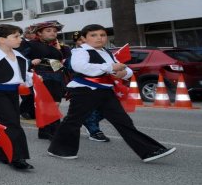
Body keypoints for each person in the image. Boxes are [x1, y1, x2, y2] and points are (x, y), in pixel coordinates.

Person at [48, 24, 176, 162]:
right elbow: (81, 67)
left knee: (123, 121)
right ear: (84, 38)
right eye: (94, 35)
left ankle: (150, 151)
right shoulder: (80, 52)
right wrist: (110, 68)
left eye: (102, 35)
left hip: (105, 90)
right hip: (84, 90)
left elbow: (124, 69)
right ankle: (59, 150)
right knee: (74, 121)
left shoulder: (106, 52)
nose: (99, 38)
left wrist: (123, 73)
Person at [0, 24, 34, 170]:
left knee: (9, 123)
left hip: (14, 93)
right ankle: (17, 157)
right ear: (2, 39)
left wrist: (33, 78)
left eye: (19, 36)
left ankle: (1, 154)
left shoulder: (19, 55)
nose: (20, 39)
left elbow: (22, 74)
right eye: (16, 36)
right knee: (12, 123)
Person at [28, 20, 71, 140]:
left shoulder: (61, 46)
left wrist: (61, 50)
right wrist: (30, 63)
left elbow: (66, 61)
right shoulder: (31, 44)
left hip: (57, 77)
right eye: (48, 30)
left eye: (55, 31)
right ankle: (53, 131)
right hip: (42, 76)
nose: (53, 33)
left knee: (55, 104)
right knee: (49, 104)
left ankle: (45, 131)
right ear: (39, 33)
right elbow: (21, 58)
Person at [70, 31, 109, 142]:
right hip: (83, 86)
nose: (82, 42)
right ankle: (94, 131)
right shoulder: (75, 53)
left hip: (103, 85)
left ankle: (88, 123)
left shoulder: (102, 52)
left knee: (105, 109)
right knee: (87, 110)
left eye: (83, 40)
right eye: (80, 41)